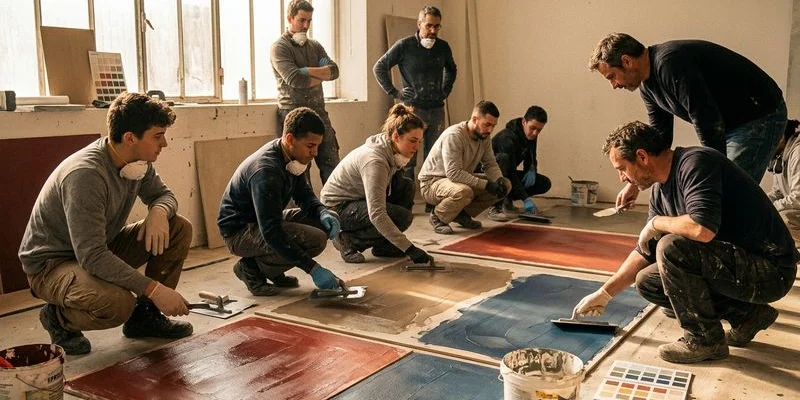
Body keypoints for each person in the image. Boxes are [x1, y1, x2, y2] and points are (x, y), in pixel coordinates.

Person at [574, 121, 797, 364]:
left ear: (641, 156)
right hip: (739, 265)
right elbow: (645, 250)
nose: (622, 178)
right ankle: (748, 316)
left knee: (672, 248)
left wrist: (657, 222)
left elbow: (702, 229)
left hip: (771, 270)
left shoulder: (696, 163)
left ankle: (705, 341)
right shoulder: (660, 190)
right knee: (648, 281)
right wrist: (604, 293)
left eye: (622, 168)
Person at [18, 92, 193, 355]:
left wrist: (158, 210)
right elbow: (92, 255)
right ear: (130, 138)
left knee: (178, 227)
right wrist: (155, 289)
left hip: (97, 248)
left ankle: (144, 318)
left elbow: (164, 195)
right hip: (52, 265)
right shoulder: (86, 176)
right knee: (118, 304)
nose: (164, 143)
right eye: (158, 136)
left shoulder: (136, 161)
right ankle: (58, 318)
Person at [589, 33, 788, 209]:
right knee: (716, 192)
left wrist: (710, 170)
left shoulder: (670, 64)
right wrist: (633, 181)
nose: (614, 85)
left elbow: (706, 119)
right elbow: (659, 139)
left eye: (612, 77)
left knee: (726, 194)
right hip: (731, 124)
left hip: (760, 116)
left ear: (627, 61)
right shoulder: (648, 87)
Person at [218, 107, 343, 297]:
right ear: (291, 139)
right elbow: (271, 231)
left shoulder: (291, 156)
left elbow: (304, 195)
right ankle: (251, 269)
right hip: (240, 231)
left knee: (321, 222)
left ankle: (272, 269)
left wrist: (322, 211)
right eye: (310, 146)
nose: (315, 153)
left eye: (317, 146)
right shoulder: (266, 171)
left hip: (264, 219)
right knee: (314, 240)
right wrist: (313, 269)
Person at [321, 104, 434, 265]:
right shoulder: (375, 161)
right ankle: (347, 240)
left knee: (406, 186)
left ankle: (384, 246)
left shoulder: (389, 150)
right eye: (412, 141)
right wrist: (410, 249)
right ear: (396, 136)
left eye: (419, 142)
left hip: (356, 200)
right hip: (336, 209)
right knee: (401, 217)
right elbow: (377, 213)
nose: (416, 148)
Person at [373, 5, 457, 182]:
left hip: (436, 109)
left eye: (437, 26)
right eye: (429, 26)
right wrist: (395, 93)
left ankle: (431, 200)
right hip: (412, 109)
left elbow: (452, 69)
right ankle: (406, 200)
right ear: (419, 24)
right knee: (407, 156)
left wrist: (445, 91)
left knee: (434, 155)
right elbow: (379, 67)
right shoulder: (405, 46)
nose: (433, 30)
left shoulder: (442, 47)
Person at [271, 0, 340, 185]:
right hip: (293, 115)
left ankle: (337, 209)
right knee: (299, 170)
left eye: (309, 20)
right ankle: (305, 213)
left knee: (332, 164)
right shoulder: (280, 47)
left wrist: (306, 71)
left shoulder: (315, 46)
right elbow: (295, 79)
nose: (306, 25)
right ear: (289, 18)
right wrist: (319, 74)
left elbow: (334, 71)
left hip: (319, 113)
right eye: (301, 20)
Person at [418, 100, 511, 234]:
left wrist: (498, 180)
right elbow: (453, 173)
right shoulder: (454, 136)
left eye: (493, 126)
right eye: (487, 124)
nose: (490, 130)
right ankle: (438, 217)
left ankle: (459, 214)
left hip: (456, 181)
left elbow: (490, 164)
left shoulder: (484, 137)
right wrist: (486, 184)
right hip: (432, 183)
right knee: (464, 191)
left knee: (506, 185)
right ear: (474, 119)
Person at [487, 105, 552, 221]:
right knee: (503, 160)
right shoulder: (507, 138)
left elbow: (531, 157)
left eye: (539, 130)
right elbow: (510, 171)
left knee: (544, 183)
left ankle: (507, 199)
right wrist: (525, 198)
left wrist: (531, 169)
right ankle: (495, 206)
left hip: (507, 173)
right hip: (489, 176)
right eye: (532, 128)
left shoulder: (531, 135)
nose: (535, 133)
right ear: (524, 122)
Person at [768, 119, 800, 245]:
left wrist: (770, 208)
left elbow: (798, 198)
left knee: (784, 218)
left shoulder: (797, 153)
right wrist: (759, 202)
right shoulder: (780, 158)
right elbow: (777, 192)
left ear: (780, 137)